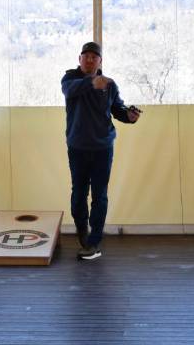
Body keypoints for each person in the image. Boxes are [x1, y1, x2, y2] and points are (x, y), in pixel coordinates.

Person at [61, 41, 141, 260]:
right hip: (77, 146)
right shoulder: (70, 79)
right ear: (79, 60)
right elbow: (70, 91)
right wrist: (92, 82)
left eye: (93, 57)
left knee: (100, 195)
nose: (89, 60)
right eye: (85, 56)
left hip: (103, 148)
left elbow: (118, 109)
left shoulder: (109, 84)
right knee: (78, 194)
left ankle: (94, 241)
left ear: (100, 61)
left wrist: (129, 116)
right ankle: (82, 230)